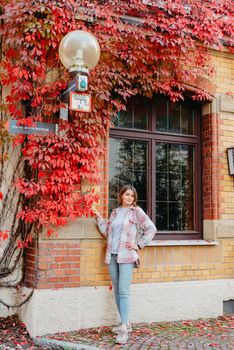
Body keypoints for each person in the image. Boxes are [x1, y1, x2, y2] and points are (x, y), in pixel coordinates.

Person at [94, 184, 157, 344]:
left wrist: (139, 244)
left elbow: (151, 229)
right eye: (127, 194)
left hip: (127, 256)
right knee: (117, 290)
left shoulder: (137, 212)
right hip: (112, 255)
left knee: (124, 290)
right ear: (121, 195)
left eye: (132, 196)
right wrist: (97, 217)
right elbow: (107, 231)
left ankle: (123, 328)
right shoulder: (115, 213)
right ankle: (125, 322)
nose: (130, 198)